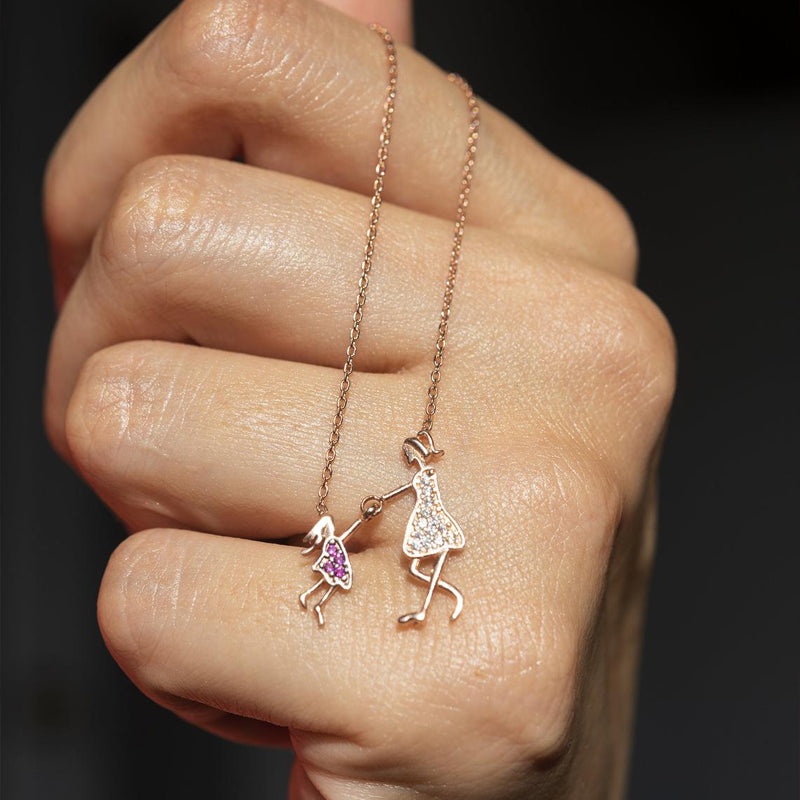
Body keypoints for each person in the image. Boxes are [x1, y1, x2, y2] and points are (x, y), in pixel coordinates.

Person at [42, 0, 676, 797]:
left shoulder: (425, 475)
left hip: (413, 524)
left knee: (425, 567)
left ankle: (419, 600)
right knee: (418, 569)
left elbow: (414, 487)